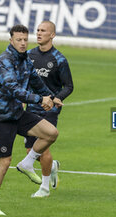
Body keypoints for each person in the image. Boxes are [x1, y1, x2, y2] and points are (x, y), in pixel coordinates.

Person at [0, 24, 62, 215]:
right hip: (0, 117)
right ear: (11, 40)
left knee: (51, 133)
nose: (23, 43)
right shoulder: (4, 61)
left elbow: (37, 82)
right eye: (18, 39)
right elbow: (14, 90)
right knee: (4, 161)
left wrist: (51, 97)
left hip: (17, 114)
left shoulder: (25, 60)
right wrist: (39, 99)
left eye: (25, 39)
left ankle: (27, 163)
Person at [16, 21, 73, 197]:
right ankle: (52, 166)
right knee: (30, 150)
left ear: (52, 35)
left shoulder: (59, 59)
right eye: (38, 30)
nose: (39, 33)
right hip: (32, 106)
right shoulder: (29, 55)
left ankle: (45, 188)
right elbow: (23, 81)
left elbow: (68, 86)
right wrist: (22, 101)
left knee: (43, 147)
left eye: (43, 31)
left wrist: (57, 99)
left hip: (49, 110)